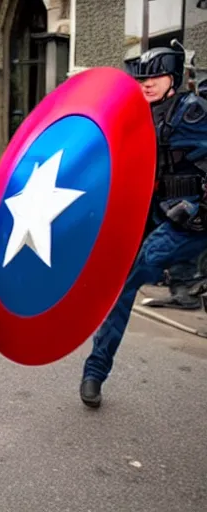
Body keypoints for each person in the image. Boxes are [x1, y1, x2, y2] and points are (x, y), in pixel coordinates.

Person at [79, 45, 207, 408]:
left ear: (174, 79)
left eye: (155, 76)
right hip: (147, 213)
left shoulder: (192, 112)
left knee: (135, 273)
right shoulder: (134, 115)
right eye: (142, 77)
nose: (147, 83)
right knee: (120, 287)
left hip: (190, 216)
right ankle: (95, 372)